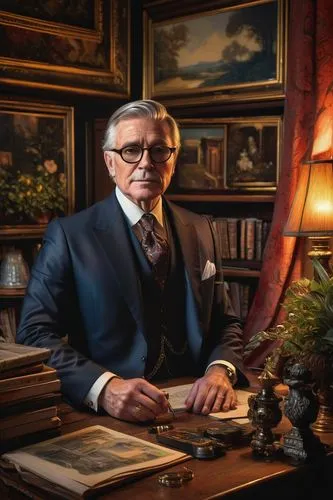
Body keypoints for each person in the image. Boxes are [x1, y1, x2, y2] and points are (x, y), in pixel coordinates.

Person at [17, 100, 247, 423]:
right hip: (110, 419)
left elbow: (226, 323)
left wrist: (220, 371)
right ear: (110, 162)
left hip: (197, 412)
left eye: (158, 151)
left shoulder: (202, 229)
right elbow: (32, 334)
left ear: (174, 158)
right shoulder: (70, 236)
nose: (146, 163)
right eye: (131, 150)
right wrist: (104, 388)